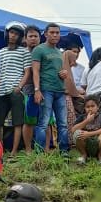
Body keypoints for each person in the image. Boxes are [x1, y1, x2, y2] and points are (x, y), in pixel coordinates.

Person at [32, 24, 68, 153]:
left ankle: (64, 152)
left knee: (63, 124)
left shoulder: (59, 52)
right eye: (52, 32)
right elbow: (35, 71)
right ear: (45, 34)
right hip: (46, 90)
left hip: (60, 91)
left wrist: (64, 73)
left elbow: (61, 71)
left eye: (57, 33)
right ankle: (39, 153)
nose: (55, 35)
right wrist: (37, 90)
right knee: (43, 122)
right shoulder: (39, 49)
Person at [0, 22, 31, 152]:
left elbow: (27, 72)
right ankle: (0, 149)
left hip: (16, 90)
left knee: (17, 122)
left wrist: (19, 87)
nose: (13, 36)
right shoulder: (1, 52)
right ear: (7, 34)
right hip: (1, 90)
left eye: (16, 34)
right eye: (11, 33)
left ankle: (14, 151)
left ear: (20, 37)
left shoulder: (24, 51)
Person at [71, 98, 101, 165]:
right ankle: (83, 156)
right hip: (86, 144)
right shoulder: (82, 117)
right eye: (87, 107)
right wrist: (87, 121)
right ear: (85, 108)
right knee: (77, 133)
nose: (90, 109)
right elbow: (73, 130)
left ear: (97, 107)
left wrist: (89, 134)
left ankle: (100, 156)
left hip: (98, 143)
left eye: (93, 106)